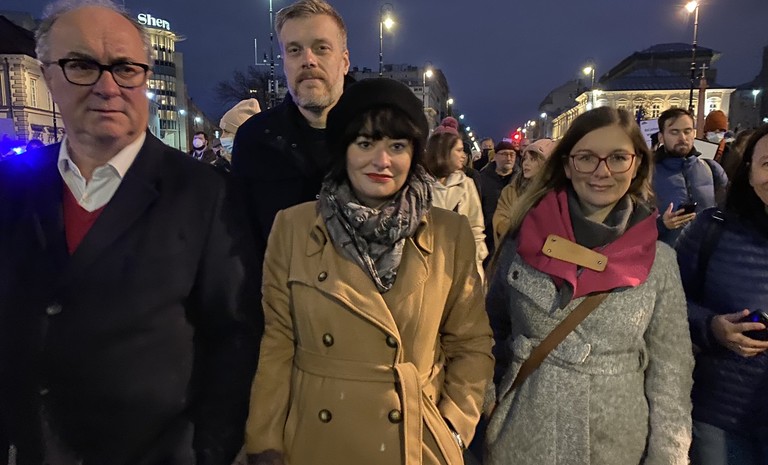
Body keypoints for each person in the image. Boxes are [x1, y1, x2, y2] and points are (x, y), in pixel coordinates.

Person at [0, 1, 262, 463]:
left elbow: (236, 336)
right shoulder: (12, 186)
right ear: (47, 75)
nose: (108, 87)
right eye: (82, 66)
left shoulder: (205, 193)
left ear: (144, 76)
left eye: (124, 68)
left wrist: (208, 451)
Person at [245, 78, 494, 465]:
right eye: (365, 143)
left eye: (397, 146)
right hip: (316, 439)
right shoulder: (293, 227)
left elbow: (471, 343)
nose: (382, 161)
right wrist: (264, 441)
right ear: (343, 149)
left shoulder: (450, 233)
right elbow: (277, 343)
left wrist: (453, 428)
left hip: (416, 441)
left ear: (414, 153)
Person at [484, 107, 694, 465]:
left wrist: (667, 457)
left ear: (637, 165)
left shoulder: (658, 262)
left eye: (618, 158)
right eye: (586, 158)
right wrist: (489, 404)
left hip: (615, 446)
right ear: (567, 165)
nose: (602, 171)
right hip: (520, 439)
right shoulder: (523, 243)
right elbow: (489, 331)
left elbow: (670, 373)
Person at [675, 124, 768, 465]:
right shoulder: (711, 228)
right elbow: (670, 304)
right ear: (749, 171)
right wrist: (711, 326)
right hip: (721, 413)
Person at [232, 0, 353, 247]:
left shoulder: (380, 135)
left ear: (344, 62)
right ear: (284, 63)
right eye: (294, 50)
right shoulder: (254, 140)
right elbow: (242, 239)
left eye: (321, 48)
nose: (308, 60)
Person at [654, 108, 728, 246]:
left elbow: (732, 212)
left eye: (687, 131)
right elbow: (633, 227)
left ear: (694, 133)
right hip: (666, 254)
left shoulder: (712, 169)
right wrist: (662, 224)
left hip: (706, 253)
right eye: (674, 132)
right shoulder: (646, 174)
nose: (682, 138)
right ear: (661, 137)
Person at [424, 117, 487, 274]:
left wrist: (476, 263)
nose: (463, 155)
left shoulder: (466, 184)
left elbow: (476, 227)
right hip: (426, 266)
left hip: (459, 265)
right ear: (443, 152)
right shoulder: (420, 185)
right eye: (458, 150)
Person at [492, 138, 555, 246]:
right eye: (525, 159)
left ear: (546, 164)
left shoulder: (556, 194)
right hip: (514, 250)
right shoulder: (511, 190)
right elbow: (499, 221)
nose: (526, 163)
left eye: (532, 159)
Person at [476, 140, 518, 260]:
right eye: (504, 154)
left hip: (511, 240)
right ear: (495, 156)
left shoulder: (520, 181)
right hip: (487, 240)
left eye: (512, 154)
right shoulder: (482, 179)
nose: (509, 158)